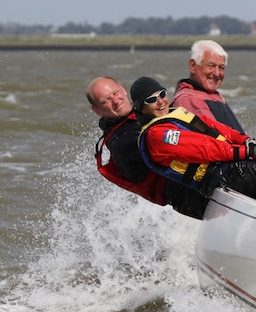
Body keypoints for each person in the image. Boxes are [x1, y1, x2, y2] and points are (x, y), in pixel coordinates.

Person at [131, 76, 256, 210]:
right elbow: (207, 149)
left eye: (162, 95)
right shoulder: (157, 135)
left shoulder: (177, 114)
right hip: (218, 178)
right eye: (152, 100)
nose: (161, 102)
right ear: (141, 108)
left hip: (230, 166)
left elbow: (221, 131)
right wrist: (248, 153)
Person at [86, 76, 209, 219]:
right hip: (188, 194)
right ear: (97, 110)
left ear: (122, 89)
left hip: (201, 176)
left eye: (115, 93)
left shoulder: (143, 112)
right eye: (106, 101)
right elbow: (170, 144)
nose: (115, 101)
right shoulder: (120, 141)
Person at [170, 39, 244, 132]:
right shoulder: (187, 100)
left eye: (221, 68)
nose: (217, 73)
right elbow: (216, 142)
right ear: (193, 66)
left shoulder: (215, 96)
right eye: (211, 66)